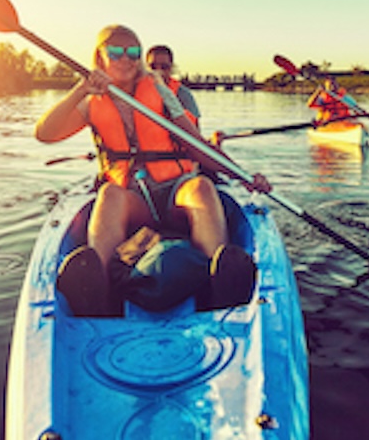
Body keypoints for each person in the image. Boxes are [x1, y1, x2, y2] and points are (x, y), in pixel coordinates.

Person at [35, 24, 270, 316]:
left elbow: (197, 145)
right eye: (116, 52)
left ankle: (216, 279)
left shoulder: (160, 89)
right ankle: (101, 289)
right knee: (109, 194)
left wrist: (243, 177)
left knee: (202, 188)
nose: (126, 59)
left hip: (175, 192)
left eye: (133, 51)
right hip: (133, 198)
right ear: (100, 57)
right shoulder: (90, 100)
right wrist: (80, 89)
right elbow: (45, 133)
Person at [146, 45, 200, 126]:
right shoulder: (134, 91)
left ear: (171, 68)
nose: (158, 72)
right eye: (153, 67)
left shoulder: (183, 94)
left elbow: (195, 131)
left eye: (164, 67)